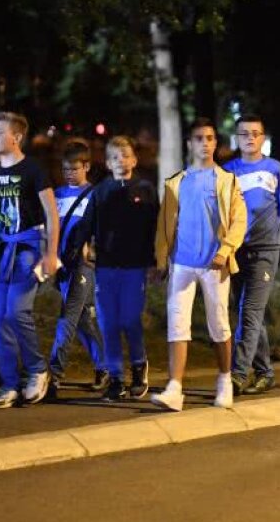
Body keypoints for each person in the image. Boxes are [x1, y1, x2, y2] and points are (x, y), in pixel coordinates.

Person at [151, 118, 248, 411]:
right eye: (198, 138)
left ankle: (225, 380)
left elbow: (239, 221)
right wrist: (160, 260)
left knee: (218, 325)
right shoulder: (176, 182)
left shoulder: (226, 181)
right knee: (177, 325)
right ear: (190, 144)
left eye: (209, 138)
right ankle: (175, 388)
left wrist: (225, 250)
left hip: (214, 266)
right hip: (181, 263)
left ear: (216, 143)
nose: (204, 143)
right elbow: (164, 225)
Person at [0, 111, 61, 409]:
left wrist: (51, 253)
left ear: (17, 137)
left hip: (27, 248)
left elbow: (51, 213)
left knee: (16, 311)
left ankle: (37, 370)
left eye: (0, 132)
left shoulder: (33, 169)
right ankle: (9, 383)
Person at [64, 136, 158, 401]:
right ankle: (116, 377)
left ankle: (139, 366)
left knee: (129, 319)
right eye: (115, 157)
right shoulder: (101, 191)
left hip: (134, 266)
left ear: (134, 160)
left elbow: (154, 228)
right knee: (108, 323)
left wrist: (155, 261)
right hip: (105, 265)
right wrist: (78, 246)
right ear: (107, 163)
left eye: (126, 156)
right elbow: (87, 222)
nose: (121, 161)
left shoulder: (145, 189)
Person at [223, 115, 280, 396]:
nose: (249, 138)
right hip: (236, 251)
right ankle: (265, 372)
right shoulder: (227, 172)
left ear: (262, 138)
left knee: (250, 311)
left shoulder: (276, 170)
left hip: (265, 250)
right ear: (237, 138)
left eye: (255, 133)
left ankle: (237, 374)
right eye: (244, 133)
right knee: (248, 312)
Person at [46, 139, 106, 397]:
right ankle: (107, 367)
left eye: (75, 168)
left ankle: (53, 375)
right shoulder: (56, 195)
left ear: (87, 167)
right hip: (61, 266)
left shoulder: (95, 195)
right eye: (66, 169)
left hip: (84, 265)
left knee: (67, 317)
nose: (70, 173)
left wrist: (93, 249)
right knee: (83, 320)